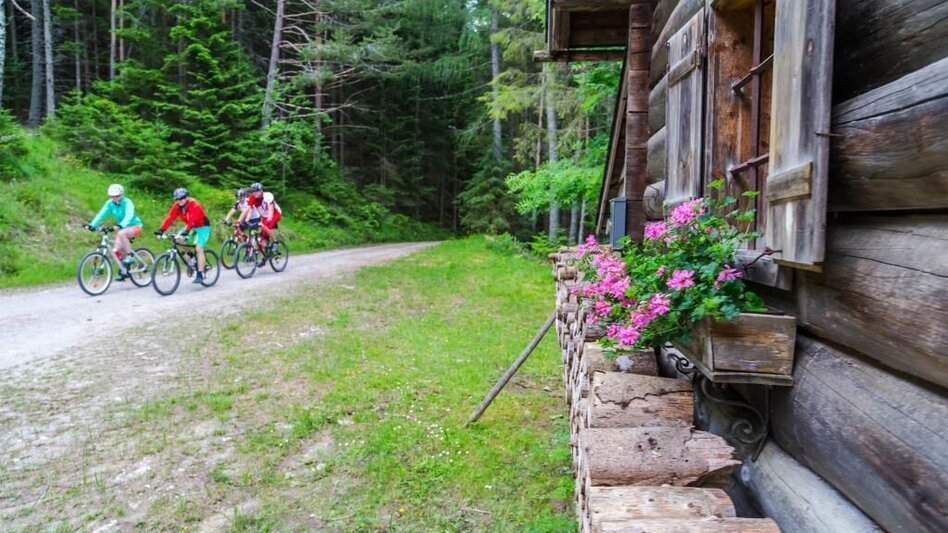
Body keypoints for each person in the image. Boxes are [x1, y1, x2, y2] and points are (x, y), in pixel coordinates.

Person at [86, 184, 143, 281]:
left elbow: (129, 215)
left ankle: (130, 256)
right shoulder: (110, 203)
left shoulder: (128, 202)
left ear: (121, 195)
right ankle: (125, 271)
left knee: (121, 233)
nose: (114, 198)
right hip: (122, 228)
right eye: (112, 196)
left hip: (135, 226)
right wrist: (92, 225)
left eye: (116, 196)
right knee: (115, 250)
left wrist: (121, 225)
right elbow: (101, 214)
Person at [155, 187, 212, 284]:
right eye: (177, 199)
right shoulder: (177, 206)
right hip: (190, 226)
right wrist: (161, 230)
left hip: (202, 227)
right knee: (178, 239)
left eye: (181, 199)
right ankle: (192, 258)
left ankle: (200, 273)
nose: (179, 201)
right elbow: (170, 218)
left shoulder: (194, 204)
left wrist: (186, 231)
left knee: (199, 248)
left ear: (186, 197)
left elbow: (192, 220)